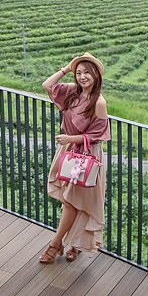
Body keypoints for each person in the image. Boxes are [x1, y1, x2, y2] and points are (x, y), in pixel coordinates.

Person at [39, 52, 111, 263]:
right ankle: (75, 243)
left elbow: (98, 136)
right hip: (69, 151)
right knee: (70, 200)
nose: (82, 77)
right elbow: (47, 85)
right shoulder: (73, 92)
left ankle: (55, 245)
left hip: (86, 155)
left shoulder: (98, 102)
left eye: (86, 72)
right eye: (78, 73)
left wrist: (71, 137)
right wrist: (67, 68)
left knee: (72, 202)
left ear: (96, 75)